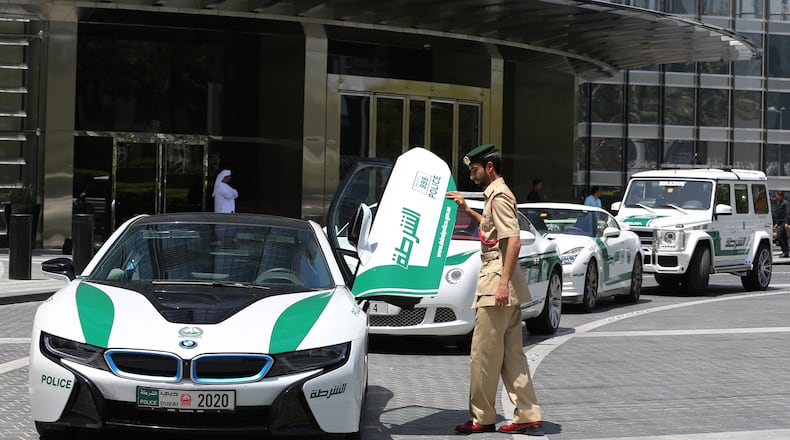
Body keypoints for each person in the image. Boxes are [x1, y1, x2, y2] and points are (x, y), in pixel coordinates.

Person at [446, 144, 543, 436]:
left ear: (489, 167)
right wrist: (467, 210)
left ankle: (482, 417)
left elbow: (512, 241)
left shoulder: (499, 196)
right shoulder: (497, 196)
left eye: (474, 170)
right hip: (507, 283)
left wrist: (501, 284)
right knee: (512, 355)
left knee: (483, 354)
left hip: (496, 282)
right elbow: (494, 231)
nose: (472, 176)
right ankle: (527, 414)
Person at [774, 192, 790, 258]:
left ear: (781, 196)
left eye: (777, 196)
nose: (776, 197)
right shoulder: (779, 203)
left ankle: (786, 251)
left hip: (784, 222)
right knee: (783, 237)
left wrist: (787, 222)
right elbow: (779, 215)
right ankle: (786, 252)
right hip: (780, 222)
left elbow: (788, 213)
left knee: (779, 237)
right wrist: (776, 223)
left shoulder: (785, 203)